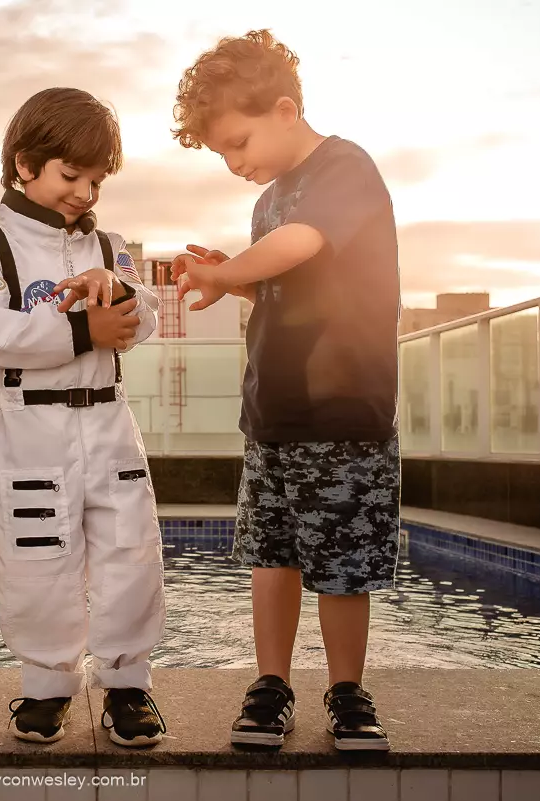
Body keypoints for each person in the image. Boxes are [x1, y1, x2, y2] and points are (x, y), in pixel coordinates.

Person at [170, 30, 401, 751]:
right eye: (222, 154)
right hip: (272, 412)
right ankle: (271, 684)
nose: (234, 163)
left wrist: (233, 270)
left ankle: (346, 691)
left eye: (238, 143)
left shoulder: (345, 168)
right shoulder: (267, 201)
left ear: (283, 107)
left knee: (339, 562)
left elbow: (304, 244)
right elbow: (284, 282)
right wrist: (234, 275)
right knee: (270, 555)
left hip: (344, 412)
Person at [0, 87, 168, 748]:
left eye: (97, 179)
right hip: (30, 427)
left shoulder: (108, 244)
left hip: (109, 422)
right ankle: (47, 684)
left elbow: (149, 318)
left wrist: (119, 292)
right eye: (70, 174)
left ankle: (128, 683)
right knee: (36, 554)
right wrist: (82, 330)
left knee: (130, 549)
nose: (84, 191)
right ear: (26, 164)